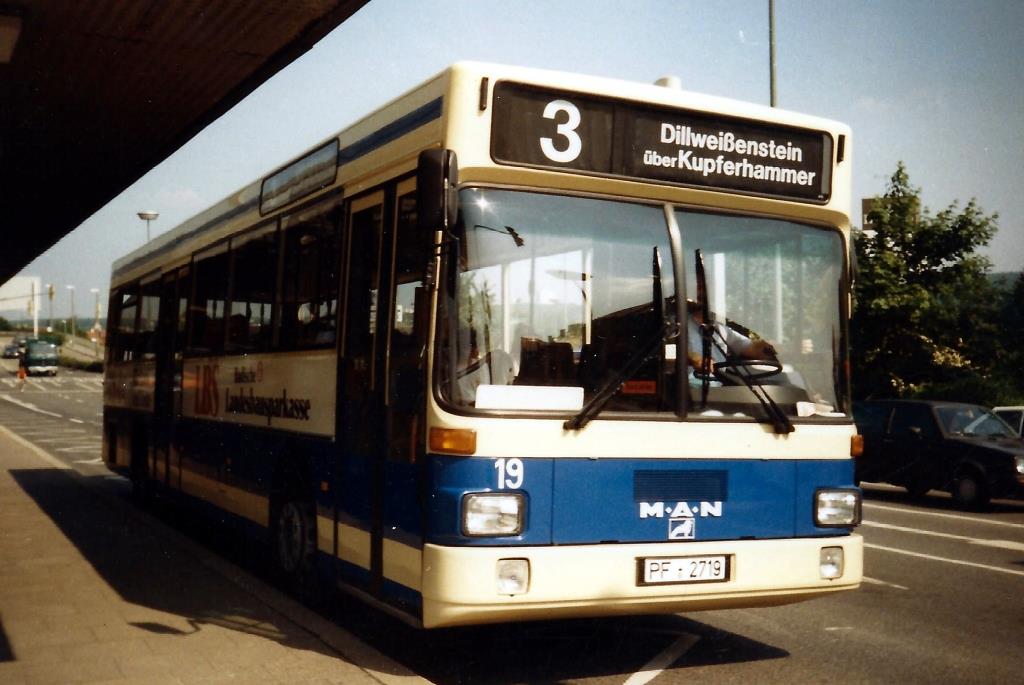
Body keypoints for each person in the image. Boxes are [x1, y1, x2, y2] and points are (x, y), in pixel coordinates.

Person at [685, 299, 776, 371]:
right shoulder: (678, 326)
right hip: (686, 390)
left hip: (717, 388)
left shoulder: (721, 329)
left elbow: (751, 349)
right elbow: (673, 354)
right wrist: (694, 359)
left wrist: (773, 348)